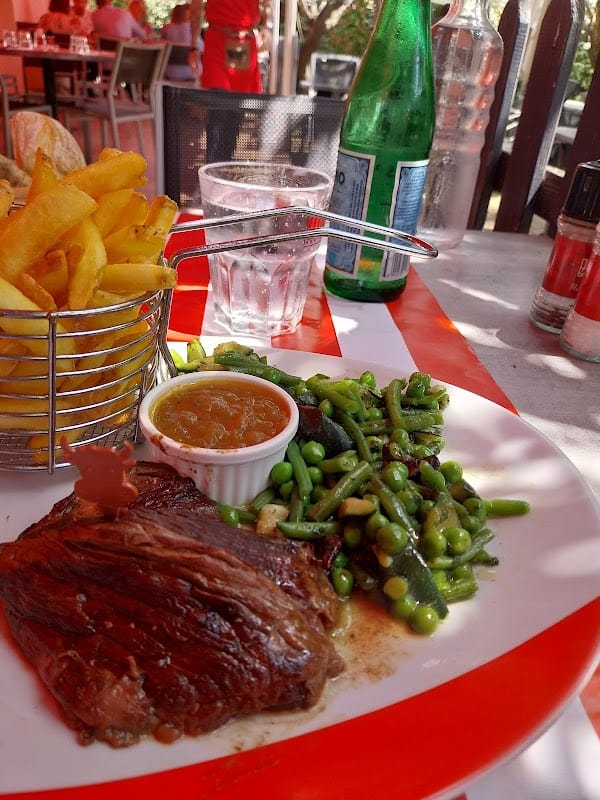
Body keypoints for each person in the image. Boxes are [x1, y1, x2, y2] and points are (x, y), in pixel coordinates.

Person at [188, 0, 271, 93]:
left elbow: (196, 9)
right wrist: (266, 27)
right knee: (246, 100)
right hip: (241, 42)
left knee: (216, 99)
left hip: (220, 41)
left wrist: (194, 46)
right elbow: (267, 4)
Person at [161, 4, 203, 82]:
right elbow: (201, 49)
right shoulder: (194, 31)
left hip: (169, 72)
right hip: (192, 71)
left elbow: (161, 45)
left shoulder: (167, 28)